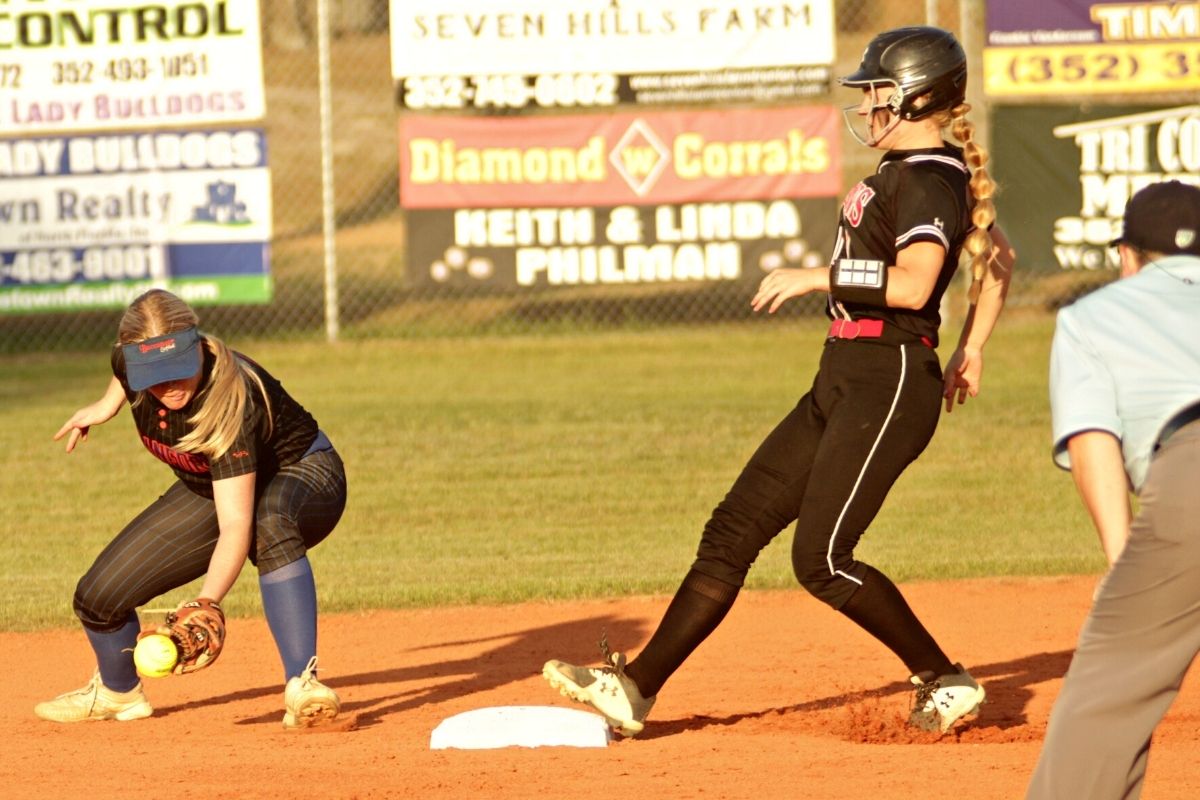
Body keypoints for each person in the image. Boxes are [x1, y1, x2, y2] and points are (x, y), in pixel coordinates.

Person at [542, 25, 1016, 737]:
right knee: (733, 529)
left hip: (887, 379)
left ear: (918, 95)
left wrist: (817, 276)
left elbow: (917, 285)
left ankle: (945, 678)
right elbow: (999, 255)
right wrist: (972, 348)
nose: (869, 104)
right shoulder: (916, 173)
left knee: (822, 559)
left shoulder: (927, 175)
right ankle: (636, 689)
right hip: (846, 373)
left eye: (881, 91)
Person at [35, 288, 348, 729]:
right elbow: (125, 372)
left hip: (303, 474)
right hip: (211, 486)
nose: (167, 387)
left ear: (198, 346)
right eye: (152, 375)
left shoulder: (231, 400)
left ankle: (303, 684)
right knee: (98, 597)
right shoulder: (131, 363)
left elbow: (236, 524)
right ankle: (118, 694)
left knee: (269, 522)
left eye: (177, 369)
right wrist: (106, 406)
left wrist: (206, 603)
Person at [1027, 180, 1200, 798]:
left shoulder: (1092, 315)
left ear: (1127, 255)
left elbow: (1091, 437)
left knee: (1107, 695)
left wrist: (1123, 563)